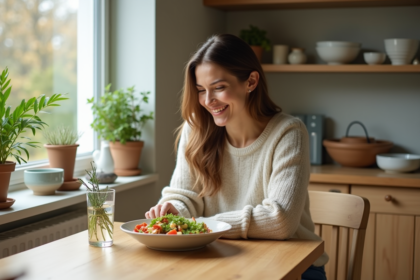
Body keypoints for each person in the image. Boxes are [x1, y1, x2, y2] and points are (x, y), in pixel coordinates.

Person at [146, 34, 328, 280]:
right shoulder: (196, 129)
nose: (208, 101)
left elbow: (280, 220)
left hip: (296, 267)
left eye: (219, 88)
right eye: (201, 90)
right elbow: (183, 196)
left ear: (251, 81)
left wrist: (202, 226)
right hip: (222, 260)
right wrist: (175, 211)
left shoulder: (288, 132)